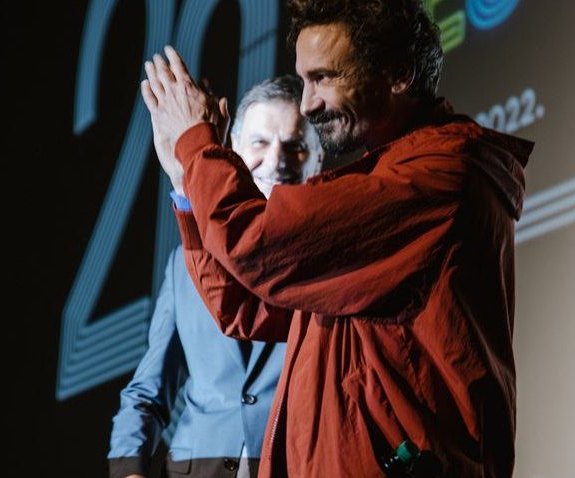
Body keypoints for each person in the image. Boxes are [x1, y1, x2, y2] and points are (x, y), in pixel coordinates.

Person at [140, 0, 534, 476]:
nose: (308, 104)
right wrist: (185, 184)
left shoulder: (436, 177)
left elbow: (253, 243)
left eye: (323, 78)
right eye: (304, 80)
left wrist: (197, 144)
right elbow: (243, 307)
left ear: (399, 73)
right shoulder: (395, 177)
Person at [107, 75, 323, 478]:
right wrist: (129, 470)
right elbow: (148, 391)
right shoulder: (184, 262)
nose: (276, 159)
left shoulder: (330, 262)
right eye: (259, 142)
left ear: (318, 160)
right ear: (232, 152)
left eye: (295, 146)